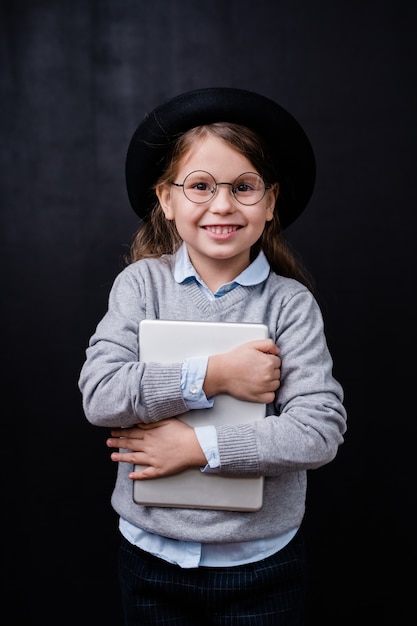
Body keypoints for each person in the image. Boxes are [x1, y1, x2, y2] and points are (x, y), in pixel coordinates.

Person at [78, 87, 347, 626]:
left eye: (244, 187)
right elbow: (102, 397)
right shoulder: (140, 286)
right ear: (167, 198)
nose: (222, 205)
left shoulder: (290, 305)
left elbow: (318, 431)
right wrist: (216, 374)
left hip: (261, 563)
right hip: (150, 555)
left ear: (270, 203)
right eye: (200, 186)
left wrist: (196, 447)